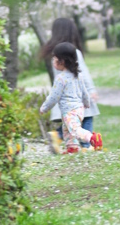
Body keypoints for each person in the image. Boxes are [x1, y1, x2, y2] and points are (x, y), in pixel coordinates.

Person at [40, 18, 100, 147]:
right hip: (78, 98)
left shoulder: (56, 57)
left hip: (65, 101)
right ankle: (85, 146)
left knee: (70, 124)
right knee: (87, 119)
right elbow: (83, 75)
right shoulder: (75, 54)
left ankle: (60, 137)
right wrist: (91, 91)